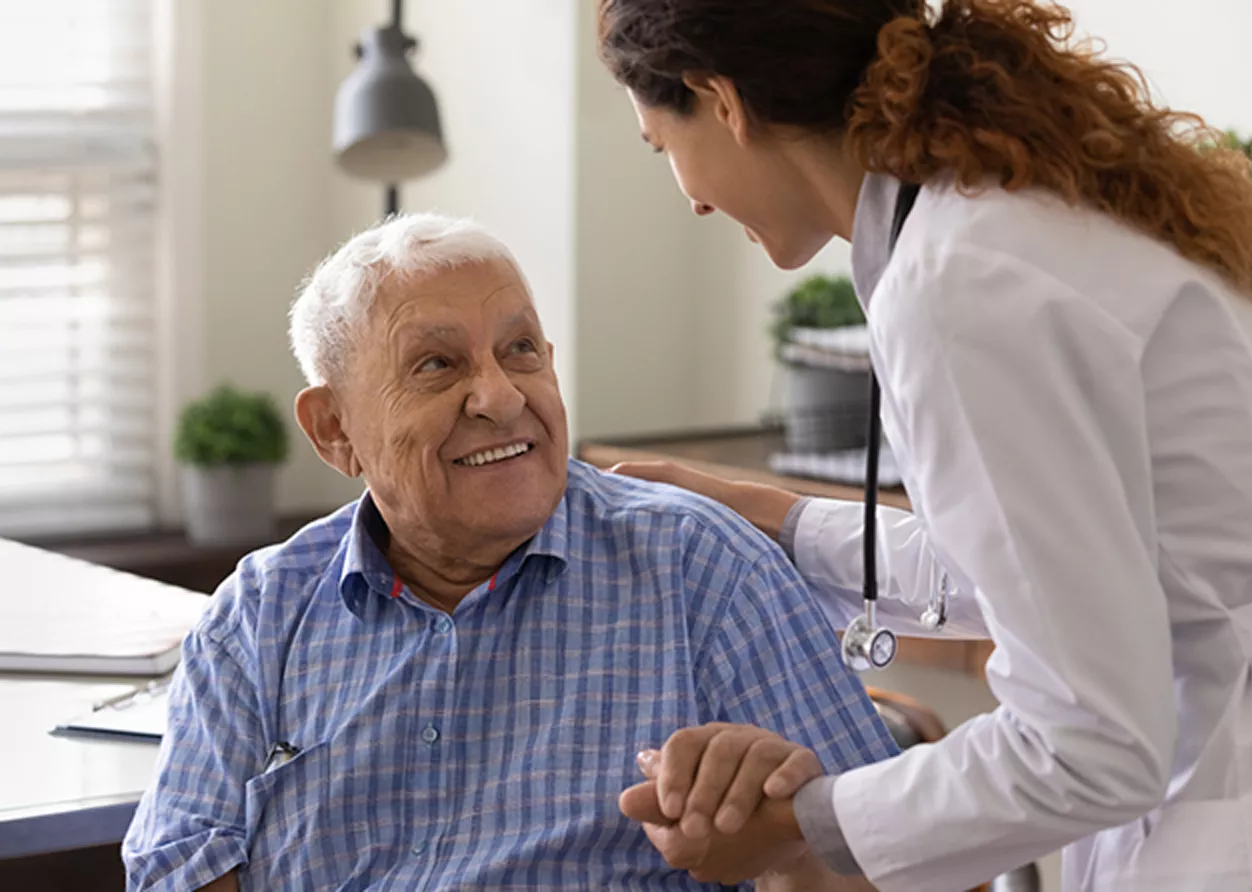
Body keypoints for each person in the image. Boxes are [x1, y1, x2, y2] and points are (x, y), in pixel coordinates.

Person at [596, 0, 1252, 889]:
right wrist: (784, 523)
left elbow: (1087, 745)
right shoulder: (1017, 212)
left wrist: (802, 825)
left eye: (661, 147)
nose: (690, 198)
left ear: (723, 102)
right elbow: (1052, 567)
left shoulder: (958, 283)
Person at [120, 214, 900, 891]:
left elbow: (894, 868)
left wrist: (787, 843)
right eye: (437, 365)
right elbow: (178, 869)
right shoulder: (259, 614)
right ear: (334, 430)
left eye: (520, 350)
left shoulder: (701, 570)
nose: (500, 396)